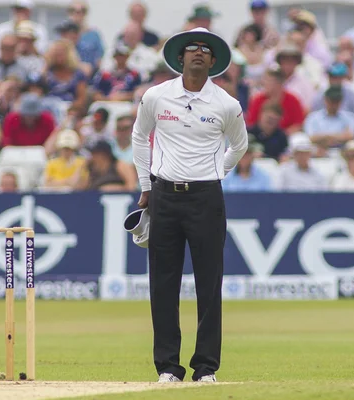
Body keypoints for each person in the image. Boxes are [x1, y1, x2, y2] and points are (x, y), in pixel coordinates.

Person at [131, 27, 248, 383]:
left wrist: (217, 172)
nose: (198, 53)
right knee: (163, 284)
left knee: (208, 284)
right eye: (192, 48)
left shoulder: (227, 104)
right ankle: (168, 366)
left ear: (213, 61)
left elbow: (239, 146)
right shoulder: (156, 96)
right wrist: (145, 186)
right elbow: (139, 136)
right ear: (180, 57)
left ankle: (206, 367)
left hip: (206, 198)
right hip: (164, 194)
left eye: (205, 50)